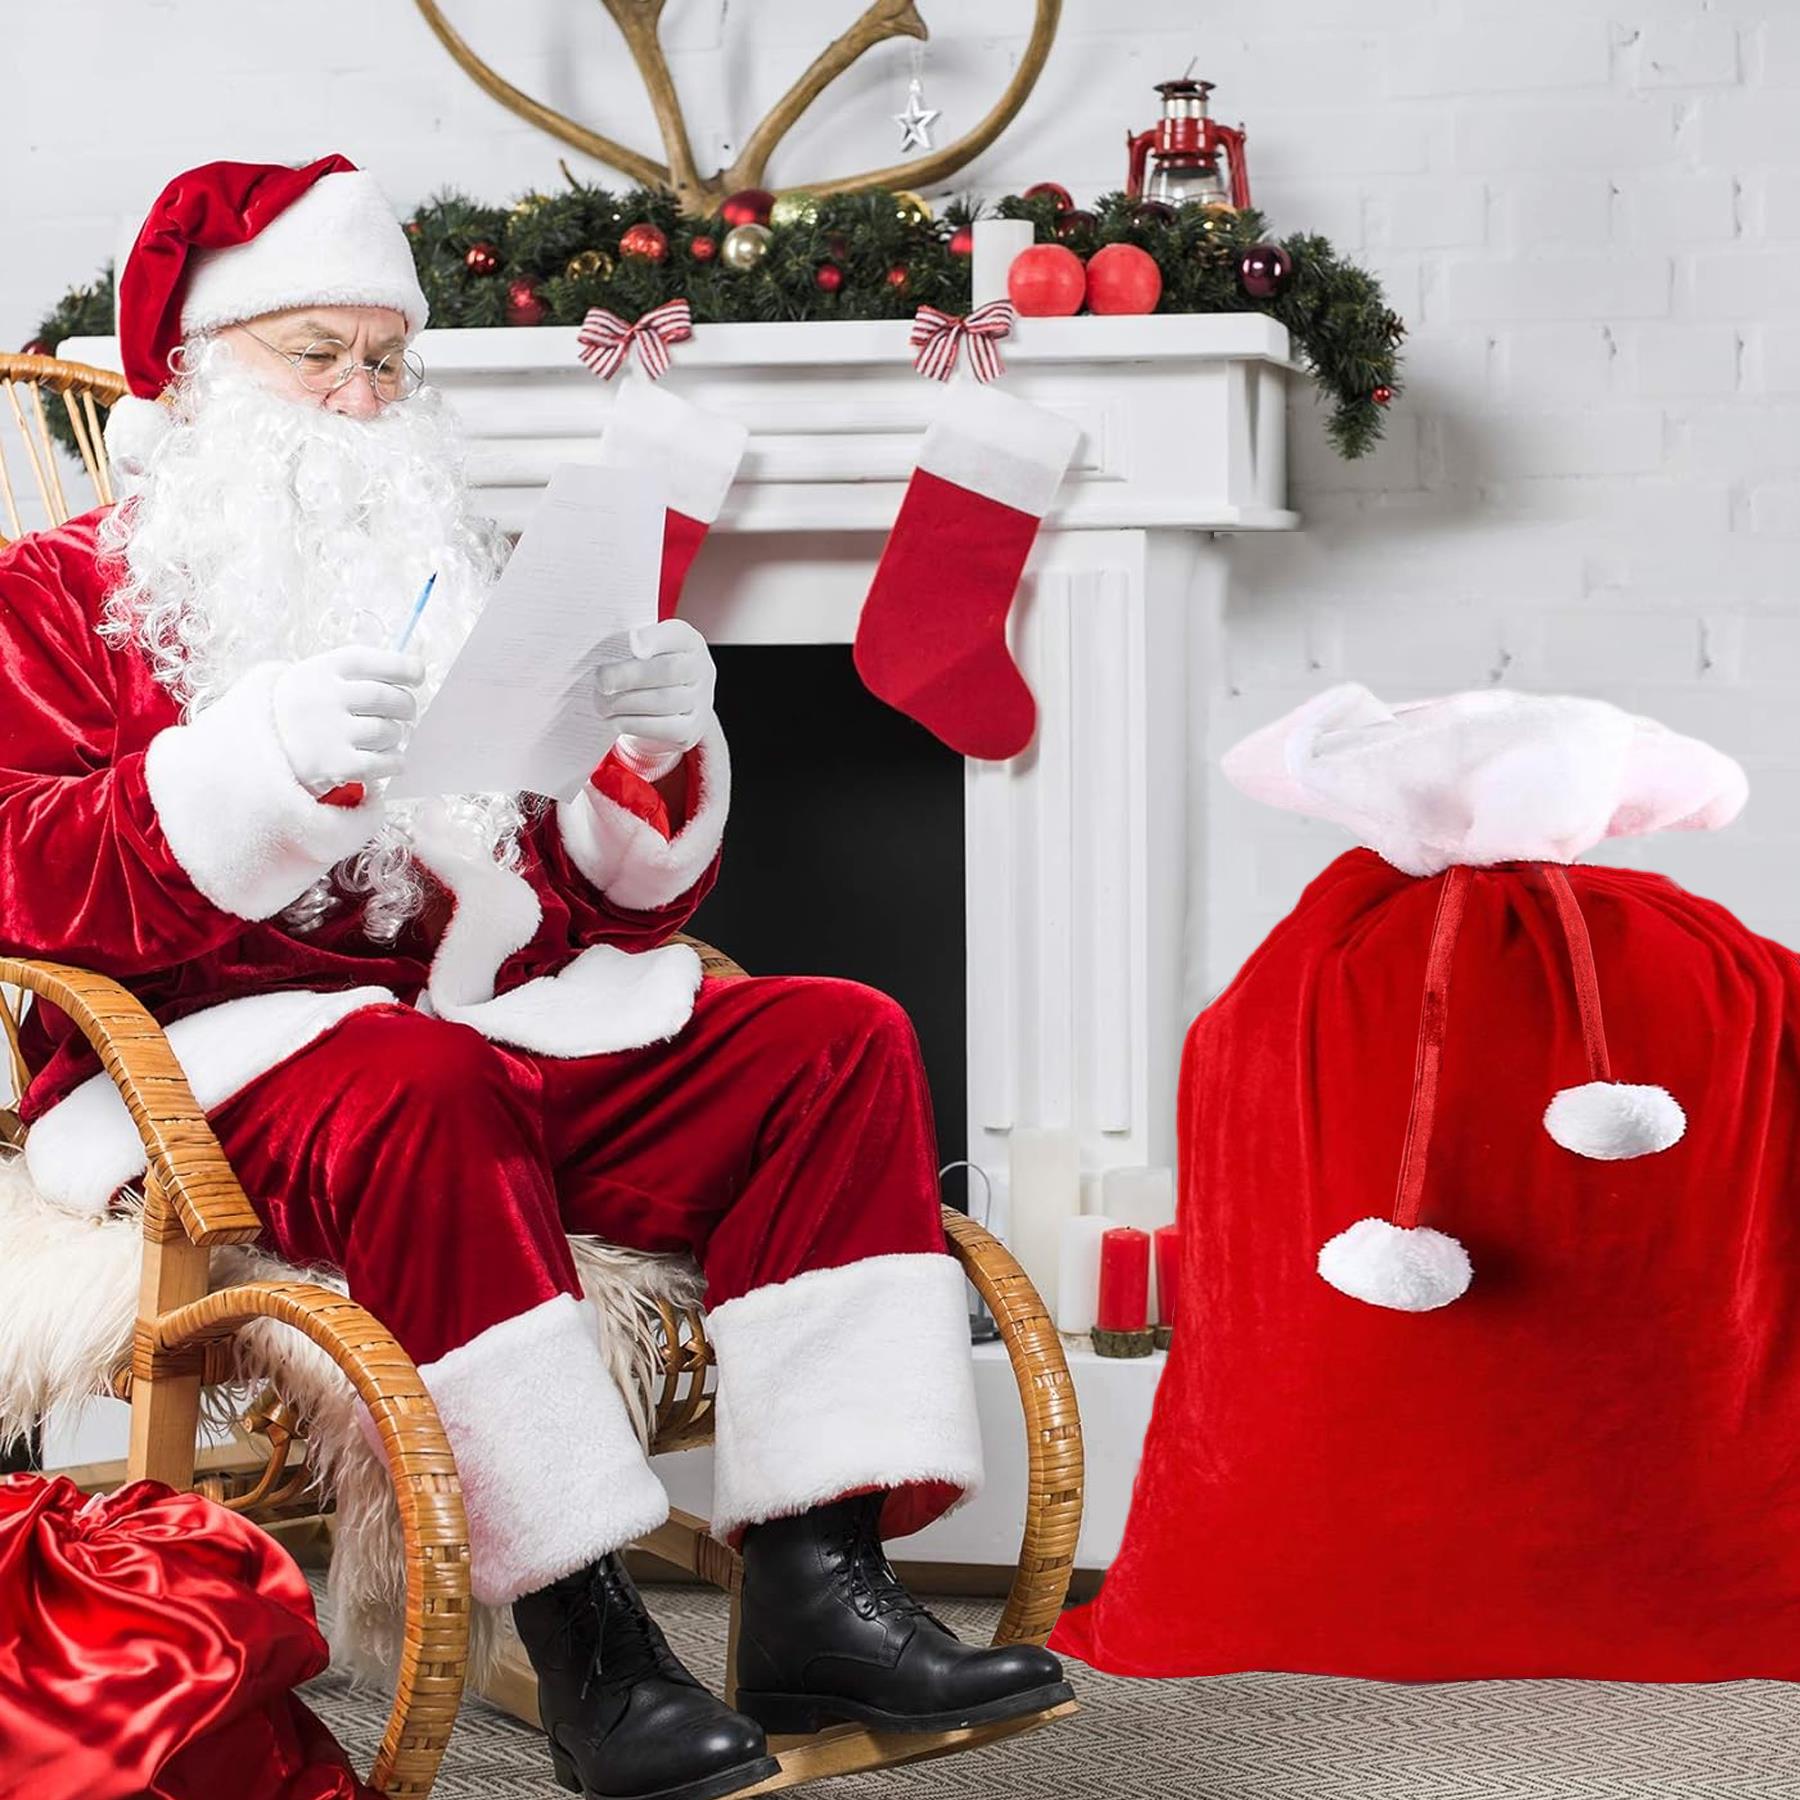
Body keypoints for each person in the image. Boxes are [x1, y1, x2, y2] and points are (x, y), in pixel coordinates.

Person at [0, 155, 1067, 1800]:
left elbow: (574, 907)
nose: (362, 398)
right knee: (431, 1087)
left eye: (387, 360)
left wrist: (637, 761)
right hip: (232, 1066)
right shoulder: (56, 594)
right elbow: (25, 866)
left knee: (829, 1037)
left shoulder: (442, 583)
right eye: (315, 354)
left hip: (484, 1035)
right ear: (202, 373)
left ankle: (817, 1593)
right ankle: (589, 1639)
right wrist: (255, 769)